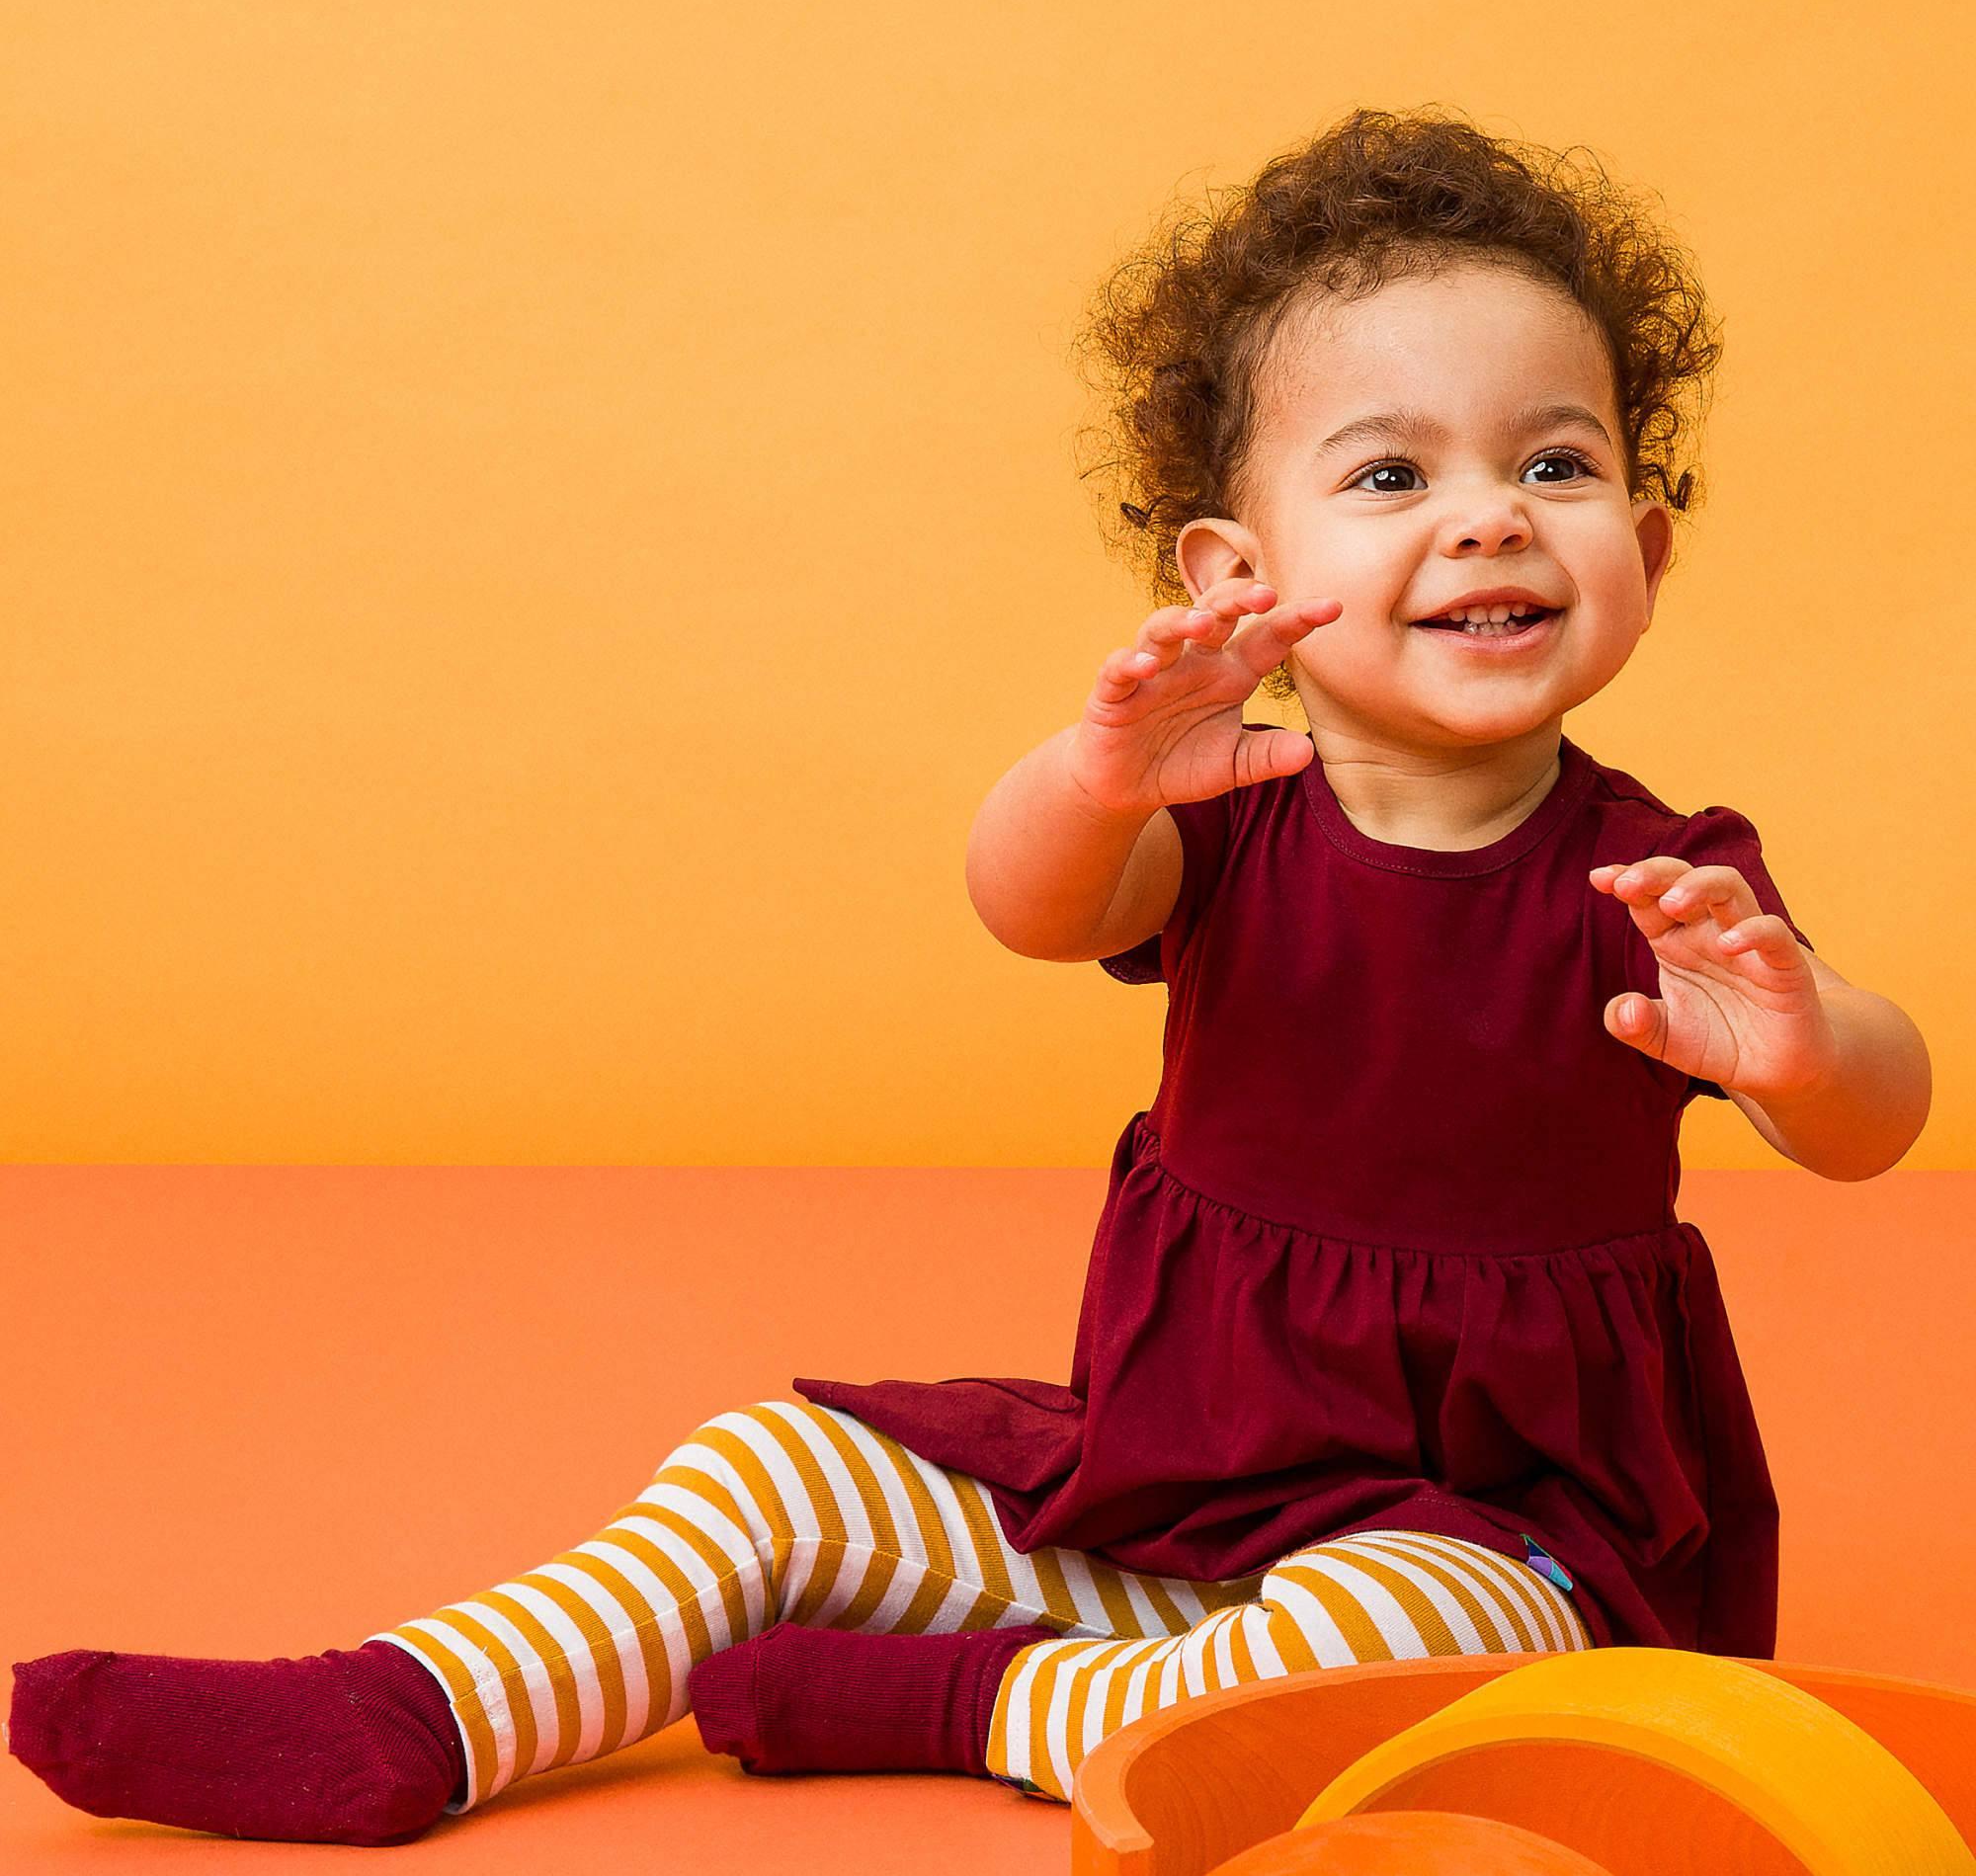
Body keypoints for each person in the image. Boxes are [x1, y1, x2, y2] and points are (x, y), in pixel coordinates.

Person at [7, 105, 1931, 1845]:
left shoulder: (1652, 879)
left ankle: (976, 1696)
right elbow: (1029, 900)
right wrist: (1094, 771)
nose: (1488, 512)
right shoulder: (1226, 806)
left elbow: (1873, 1113)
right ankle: (424, 1705)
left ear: (1645, 549)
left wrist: (1800, 1039)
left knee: (1378, 1653)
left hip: (1503, 1545)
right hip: (1173, 1483)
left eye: (1554, 460)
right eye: (1387, 474)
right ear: (1225, 570)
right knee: (772, 1467)